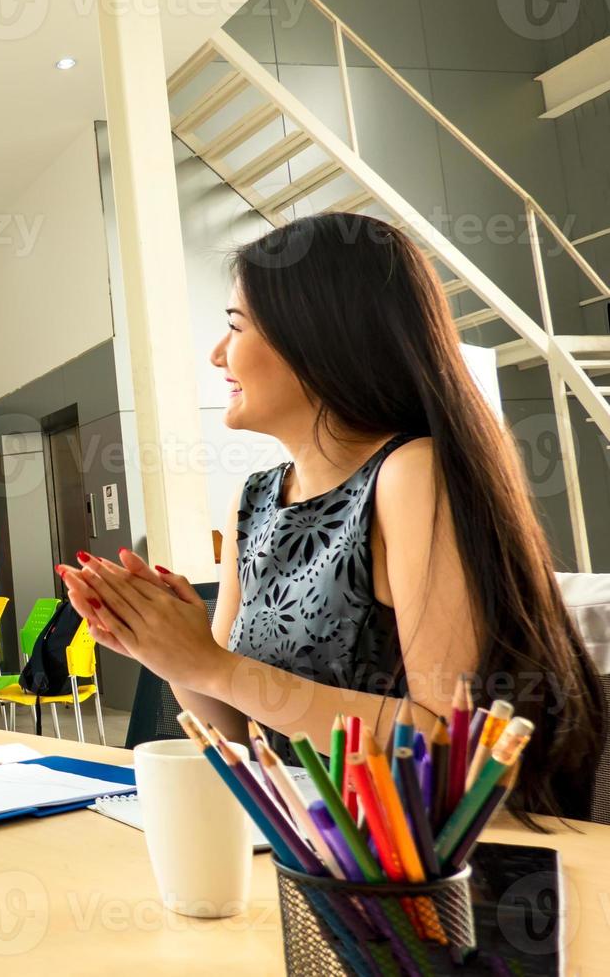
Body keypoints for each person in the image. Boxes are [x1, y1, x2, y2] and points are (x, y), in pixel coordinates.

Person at [58, 213, 604, 822]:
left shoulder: (411, 475)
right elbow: (237, 739)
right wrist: (171, 653)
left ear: (317, 338)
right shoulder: (257, 499)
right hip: (297, 841)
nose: (217, 354)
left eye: (235, 327)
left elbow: (441, 742)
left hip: (409, 862)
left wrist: (213, 664)